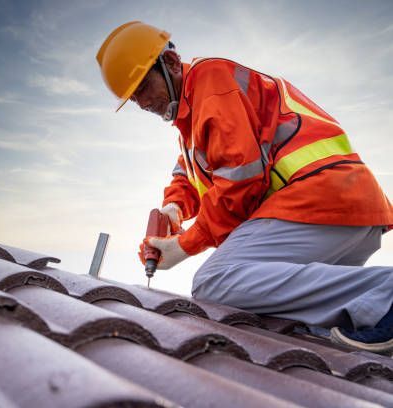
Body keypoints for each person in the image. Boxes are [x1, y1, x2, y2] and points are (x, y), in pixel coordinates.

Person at [96, 21, 393, 354]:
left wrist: (186, 245)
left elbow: (241, 178)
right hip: (343, 212)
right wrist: (175, 208)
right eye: (131, 97)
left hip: (320, 202)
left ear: (171, 64)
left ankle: (386, 292)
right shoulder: (191, 122)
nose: (140, 102)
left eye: (141, 87)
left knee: (215, 281)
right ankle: (366, 313)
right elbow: (189, 176)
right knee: (282, 309)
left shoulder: (212, 82)